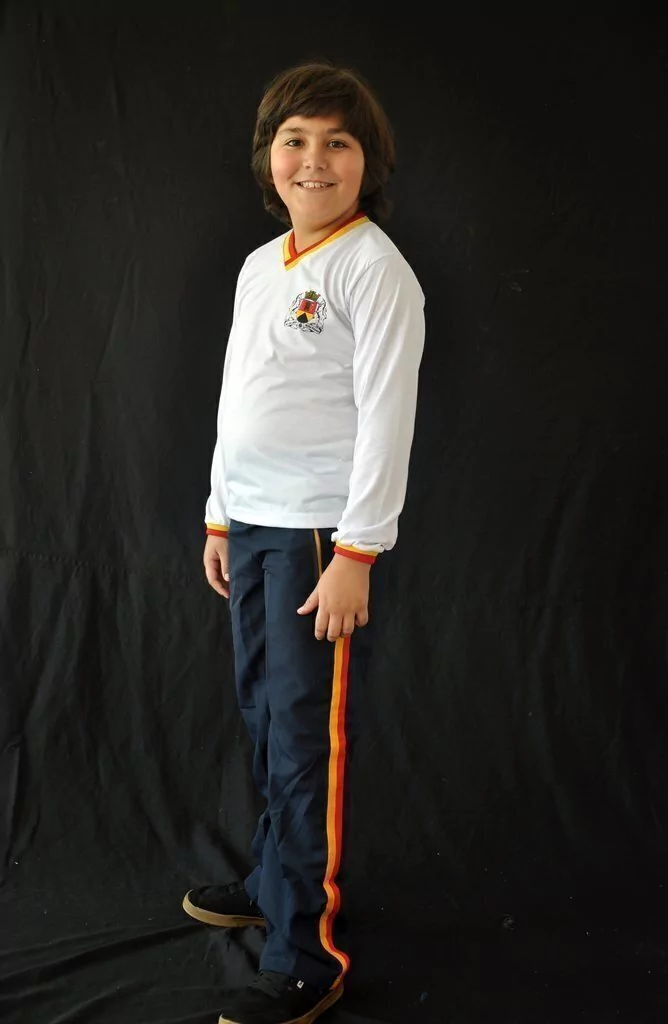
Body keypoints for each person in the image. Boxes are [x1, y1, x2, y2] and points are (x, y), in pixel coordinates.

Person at [184, 58, 425, 1024]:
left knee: (301, 738)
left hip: (320, 538)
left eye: (338, 142)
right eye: (295, 140)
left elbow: (388, 421)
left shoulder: (375, 269)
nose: (314, 160)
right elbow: (238, 398)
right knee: (261, 717)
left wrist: (358, 553)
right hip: (252, 525)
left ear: (368, 163)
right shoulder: (261, 266)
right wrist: (219, 512)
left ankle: (306, 955)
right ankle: (272, 882)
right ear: (268, 158)